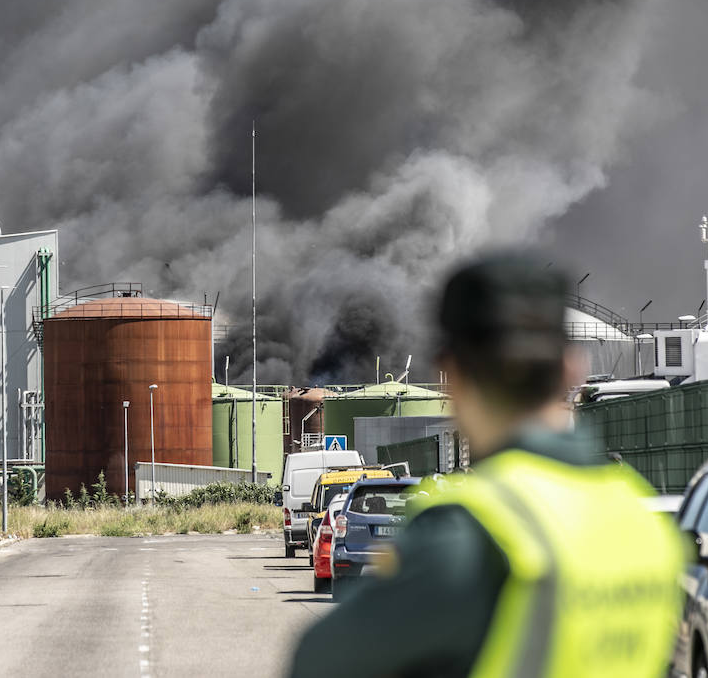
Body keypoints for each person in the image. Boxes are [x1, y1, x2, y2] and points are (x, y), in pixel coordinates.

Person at [289, 252, 684, 678]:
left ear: (451, 376)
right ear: (574, 368)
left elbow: (320, 660)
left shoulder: (475, 529)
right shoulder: (646, 524)